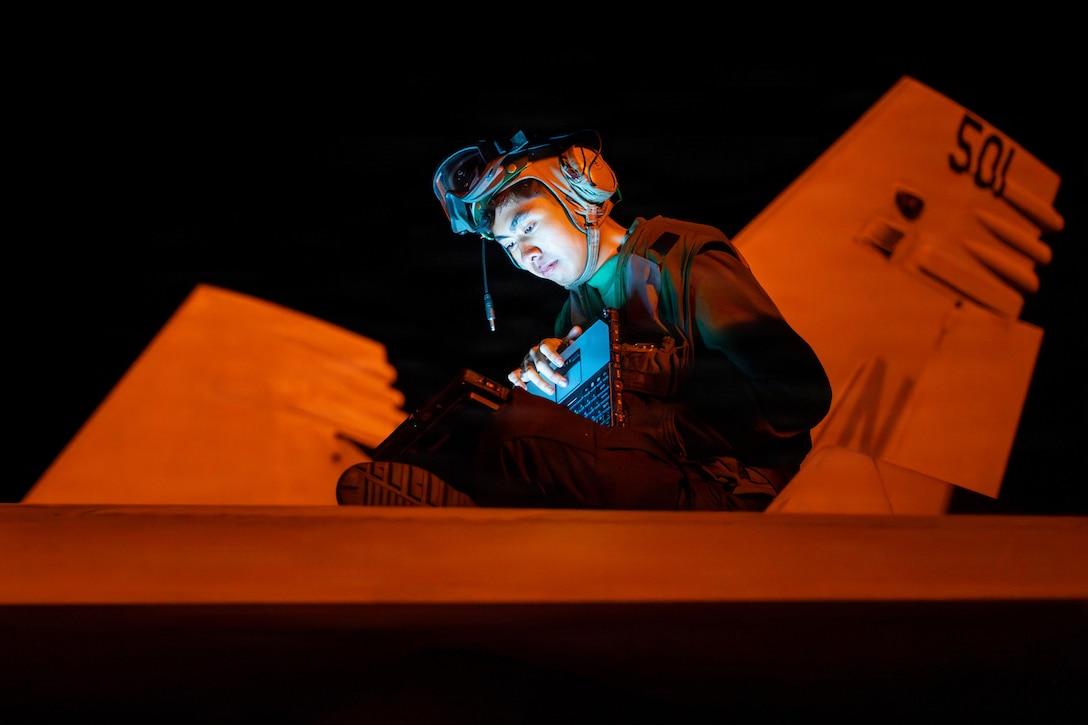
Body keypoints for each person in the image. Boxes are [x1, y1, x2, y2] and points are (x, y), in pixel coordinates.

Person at [338, 129, 832, 511]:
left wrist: (643, 405)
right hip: (642, 476)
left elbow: (800, 394)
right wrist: (552, 386)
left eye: (528, 226)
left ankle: (478, 517)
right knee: (494, 421)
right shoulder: (575, 312)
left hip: (727, 489)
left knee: (521, 431)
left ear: (581, 195)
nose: (525, 255)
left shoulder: (681, 263)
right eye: (509, 245)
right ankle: (464, 506)